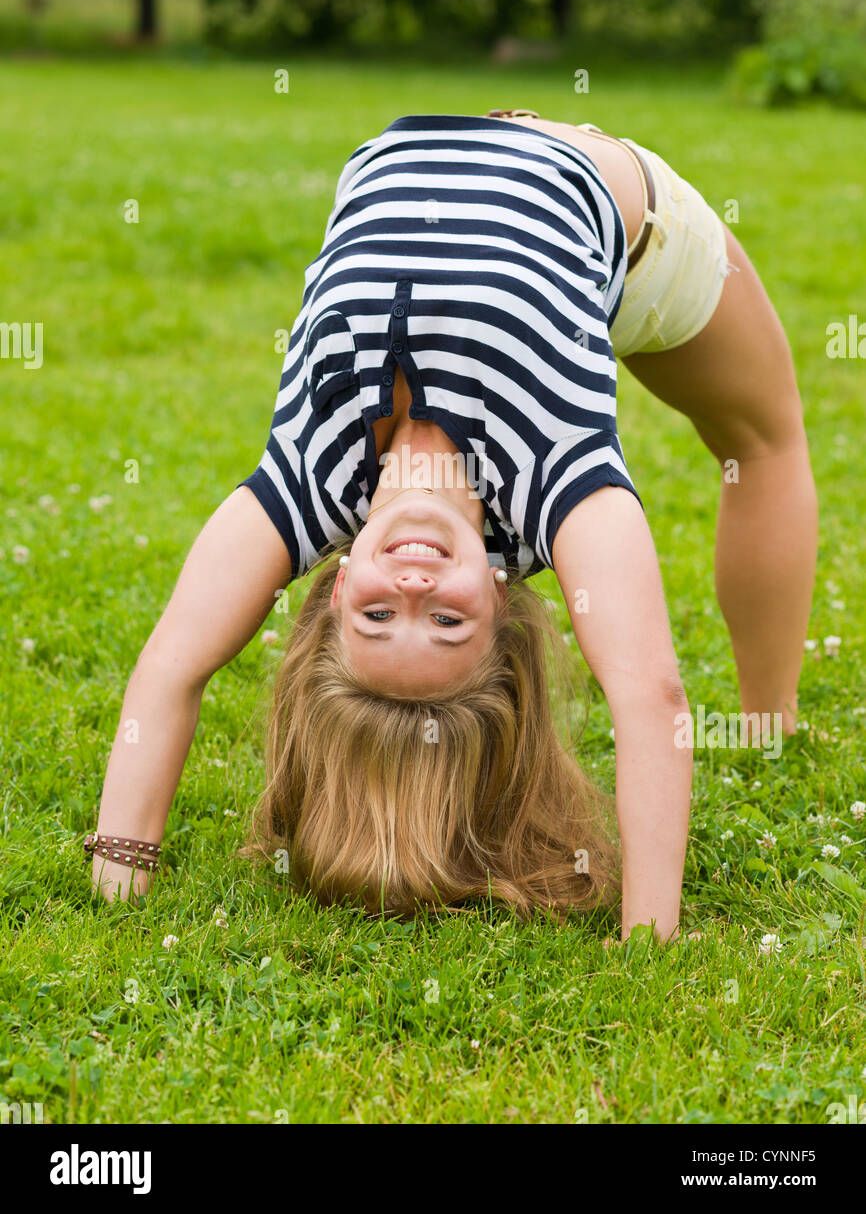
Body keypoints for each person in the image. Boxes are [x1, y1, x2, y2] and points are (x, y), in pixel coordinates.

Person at [87, 109, 817, 941]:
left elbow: (173, 663)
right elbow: (649, 693)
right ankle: (773, 720)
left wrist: (122, 867)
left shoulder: (308, 474)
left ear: (333, 592)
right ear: (501, 604)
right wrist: (650, 936)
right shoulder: (554, 477)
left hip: (430, 141)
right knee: (762, 443)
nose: (413, 585)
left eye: (376, 614)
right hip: (628, 224)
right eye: (445, 620)